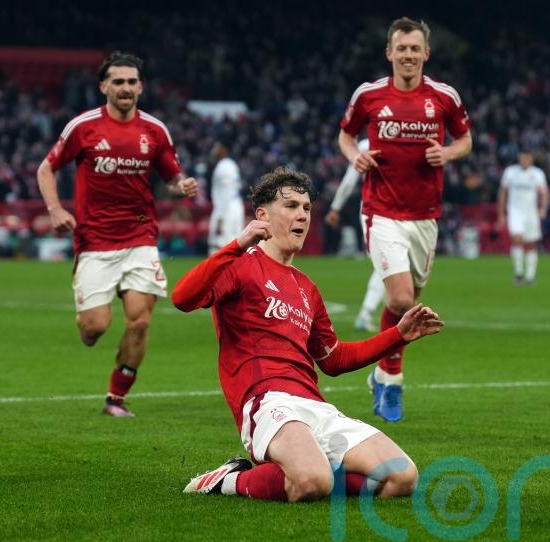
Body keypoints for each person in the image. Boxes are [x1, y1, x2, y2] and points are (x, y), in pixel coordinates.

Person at [173, 166, 443, 502]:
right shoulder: (239, 266)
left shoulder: (306, 287)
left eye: (306, 208)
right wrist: (237, 244)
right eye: (291, 207)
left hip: (315, 407)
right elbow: (182, 298)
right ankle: (228, 480)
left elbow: (333, 359)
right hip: (268, 403)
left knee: (402, 476)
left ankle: (305, 472)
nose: (302, 214)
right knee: (312, 481)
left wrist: (397, 334)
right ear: (262, 216)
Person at [36, 51, 199, 417]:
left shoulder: (155, 130)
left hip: (141, 238)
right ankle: (88, 324)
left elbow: (170, 177)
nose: (125, 88)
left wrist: (181, 185)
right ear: (104, 86)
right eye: (118, 81)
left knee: (140, 320)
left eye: (131, 82)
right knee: (95, 328)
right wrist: (55, 209)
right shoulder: (83, 127)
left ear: (140, 87)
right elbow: (46, 169)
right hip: (94, 242)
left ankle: (115, 397)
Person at [338, 17, 472, 421]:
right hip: (380, 210)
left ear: (426, 53)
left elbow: (466, 140)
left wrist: (447, 153)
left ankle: (380, 373)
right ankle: (393, 380)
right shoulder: (370, 95)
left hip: (425, 216)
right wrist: (354, 156)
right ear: (390, 53)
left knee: (405, 305)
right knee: (399, 299)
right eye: (402, 49)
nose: (408, 55)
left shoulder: (444, 97)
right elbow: (345, 134)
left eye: (415, 49)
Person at [324, 139, 385, 333]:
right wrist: (335, 207)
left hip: (397, 211)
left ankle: (382, 312)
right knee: (386, 262)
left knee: (392, 263)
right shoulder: (367, 146)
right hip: (375, 210)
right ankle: (367, 313)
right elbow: (350, 180)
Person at [495, 149, 549, 285]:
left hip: (531, 212)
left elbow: (544, 193)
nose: (524, 161)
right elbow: (502, 193)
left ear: (531, 159)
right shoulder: (510, 172)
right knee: (517, 239)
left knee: (532, 243)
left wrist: (543, 208)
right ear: (519, 158)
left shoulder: (537, 174)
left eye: (527, 158)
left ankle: (530, 277)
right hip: (515, 211)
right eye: (522, 158)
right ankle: (519, 274)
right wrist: (501, 214)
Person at [207, 141, 245, 254]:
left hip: (227, 207)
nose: (214, 151)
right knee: (235, 243)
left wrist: (220, 216)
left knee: (219, 243)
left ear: (223, 150)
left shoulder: (223, 166)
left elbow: (226, 192)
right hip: (235, 204)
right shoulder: (231, 164)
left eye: (217, 148)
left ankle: (218, 271)